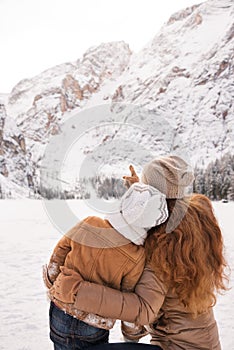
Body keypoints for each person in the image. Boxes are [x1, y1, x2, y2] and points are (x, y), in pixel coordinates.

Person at [49, 155, 229, 350]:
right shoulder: (186, 227)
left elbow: (143, 309)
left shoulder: (165, 247)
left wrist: (77, 291)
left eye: (145, 189)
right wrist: (137, 192)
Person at [43, 180, 169, 349]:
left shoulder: (90, 223)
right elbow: (127, 296)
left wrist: (54, 283)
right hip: (93, 324)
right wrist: (131, 334)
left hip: (59, 311)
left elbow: (60, 251)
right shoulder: (137, 256)